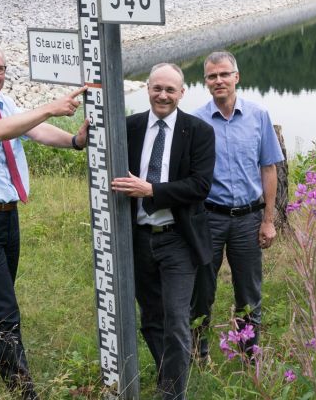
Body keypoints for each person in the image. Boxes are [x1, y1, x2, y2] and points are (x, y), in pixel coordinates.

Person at [0, 42, 88, 399]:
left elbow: (35, 131)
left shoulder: (6, 105)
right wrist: (49, 107)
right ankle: (23, 390)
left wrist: (74, 140)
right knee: (5, 310)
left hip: (7, 219)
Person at [110, 62, 215, 400]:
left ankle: (171, 394)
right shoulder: (129, 127)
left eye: (170, 90)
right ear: (148, 89)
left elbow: (199, 186)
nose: (163, 95)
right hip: (138, 239)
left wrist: (151, 190)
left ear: (182, 93)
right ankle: (169, 376)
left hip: (177, 240)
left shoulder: (198, 131)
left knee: (177, 321)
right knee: (151, 319)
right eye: (157, 88)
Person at [190, 50, 284, 360]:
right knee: (202, 290)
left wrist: (268, 220)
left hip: (248, 219)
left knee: (249, 292)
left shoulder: (258, 115)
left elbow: (269, 168)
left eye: (224, 74)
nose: (218, 80)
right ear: (206, 82)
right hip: (209, 218)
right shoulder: (195, 121)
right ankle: (199, 353)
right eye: (212, 76)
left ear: (236, 77)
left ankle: (249, 355)